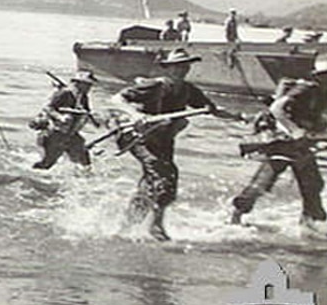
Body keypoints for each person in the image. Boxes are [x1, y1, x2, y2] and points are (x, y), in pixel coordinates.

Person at [111, 48, 233, 241]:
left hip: (164, 139)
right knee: (161, 175)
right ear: (169, 68)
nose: (181, 70)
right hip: (140, 137)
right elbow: (116, 99)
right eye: (176, 67)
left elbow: (210, 109)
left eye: (184, 66)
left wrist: (236, 116)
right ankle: (155, 228)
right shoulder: (155, 85)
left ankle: (127, 225)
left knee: (160, 181)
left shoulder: (188, 90)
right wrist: (136, 115)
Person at [230, 54, 327, 237]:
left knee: (313, 184)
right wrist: (295, 130)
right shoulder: (306, 89)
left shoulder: (324, 93)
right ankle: (235, 217)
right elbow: (277, 108)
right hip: (282, 143)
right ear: (319, 76)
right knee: (263, 182)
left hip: (301, 146)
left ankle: (310, 222)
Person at [31, 70, 99, 170]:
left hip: (71, 133)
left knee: (83, 157)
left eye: (90, 85)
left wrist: (94, 120)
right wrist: (60, 117)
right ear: (78, 83)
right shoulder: (64, 93)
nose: (89, 88)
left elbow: (87, 111)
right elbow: (48, 108)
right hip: (55, 131)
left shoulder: (83, 97)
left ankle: (85, 176)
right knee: (48, 162)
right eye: (87, 85)